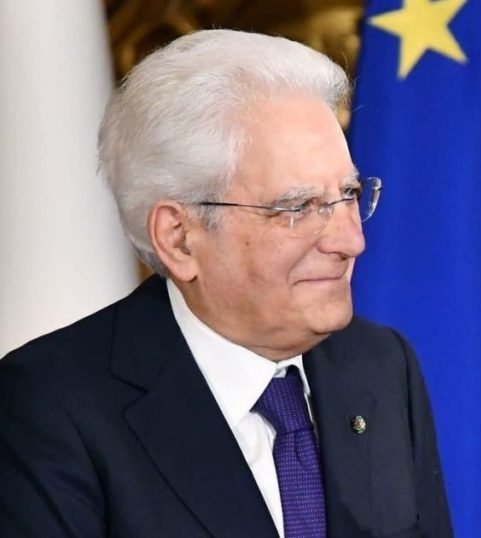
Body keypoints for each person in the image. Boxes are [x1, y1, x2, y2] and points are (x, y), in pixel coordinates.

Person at [0, 29, 452, 538]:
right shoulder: (50, 407)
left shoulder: (382, 365)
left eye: (348, 194)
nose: (351, 241)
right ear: (179, 238)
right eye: (298, 207)